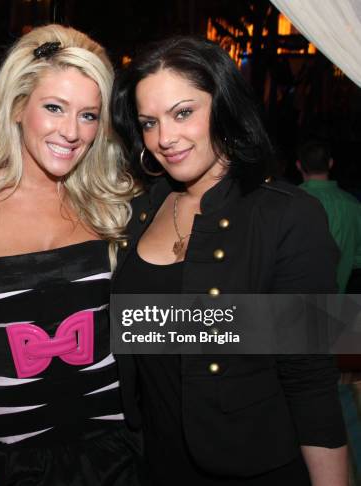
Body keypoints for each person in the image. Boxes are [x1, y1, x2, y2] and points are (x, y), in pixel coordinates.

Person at [111, 36, 348, 485]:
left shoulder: (287, 215)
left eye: (183, 113)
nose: (165, 138)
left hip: (254, 469)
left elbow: (310, 378)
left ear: (223, 106)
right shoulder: (141, 211)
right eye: (149, 122)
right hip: (153, 464)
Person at [0, 24, 144, 486]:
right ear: (16, 107)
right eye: (54, 108)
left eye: (89, 116)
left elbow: (147, 317)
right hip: (11, 453)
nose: (71, 132)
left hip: (114, 449)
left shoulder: (114, 204)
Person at [297, 139, 361, 292]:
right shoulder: (353, 205)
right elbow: (358, 257)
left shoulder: (288, 201)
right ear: (330, 163)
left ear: (298, 165)